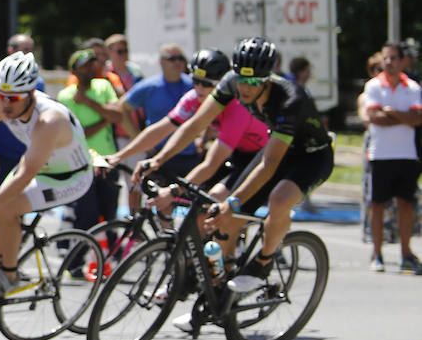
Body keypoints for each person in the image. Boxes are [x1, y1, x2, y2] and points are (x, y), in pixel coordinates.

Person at [137, 37, 334, 286]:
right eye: (241, 79)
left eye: (253, 82)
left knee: (278, 200)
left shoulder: (289, 100)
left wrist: (233, 203)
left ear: (267, 80)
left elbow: (269, 165)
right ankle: (222, 284)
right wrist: (158, 160)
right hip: (276, 149)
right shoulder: (231, 82)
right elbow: (195, 124)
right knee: (228, 217)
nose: (245, 88)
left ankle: (263, 262)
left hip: (312, 156)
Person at [0, 51, 93, 300]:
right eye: (2, 95)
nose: (6, 104)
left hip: (70, 178)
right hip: (39, 166)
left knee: (4, 209)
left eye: (14, 98)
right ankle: (0, 270)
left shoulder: (49, 120)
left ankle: (10, 278)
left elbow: (25, 175)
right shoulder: (2, 101)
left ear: (31, 92)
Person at [109, 49, 268, 194]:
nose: (199, 88)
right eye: (195, 81)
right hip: (234, 152)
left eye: (206, 84)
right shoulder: (193, 98)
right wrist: (119, 156)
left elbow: (211, 164)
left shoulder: (236, 108)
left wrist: (173, 192)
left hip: (259, 156)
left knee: (216, 198)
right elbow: (162, 129)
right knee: (196, 204)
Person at [57, 47, 134, 236]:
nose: (91, 69)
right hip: (81, 163)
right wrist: (105, 117)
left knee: (110, 214)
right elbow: (79, 133)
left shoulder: (104, 86)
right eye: (85, 66)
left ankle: (112, 252)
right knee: (87, 215)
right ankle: (80, 253)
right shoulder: (65, 96)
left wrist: (89, 103)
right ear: (74, 71)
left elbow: (118, 116)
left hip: (108, 160)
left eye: (93, 64)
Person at [361, 42, 422, 272]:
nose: (389, 62)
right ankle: (377, 254)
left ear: (402, 61)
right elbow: (374, 117)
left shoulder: (412, 87)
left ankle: (406, 253)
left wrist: (391, 112)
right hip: (381, 154)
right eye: (386, 58)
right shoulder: (373, 86)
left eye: (393, 58)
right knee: (378, 205)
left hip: (407, 154)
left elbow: (417, 119)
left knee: (405, 205)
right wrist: (403, 117)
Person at [117, 43, 198, 176]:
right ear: (161, 62)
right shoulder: (150, 86)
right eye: (172, 59)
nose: (177, 62)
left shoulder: (194, 85)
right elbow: (122, 108)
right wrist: (138, 139)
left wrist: (203, 138)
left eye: (180, 58)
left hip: (189, 155)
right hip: (158, 156)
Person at [0, 33, 44, 198]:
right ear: (11, 50)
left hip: (25, 155)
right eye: (25, 49)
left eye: (15, 97)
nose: (7, 103)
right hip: (0, 155)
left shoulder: (37, 81)